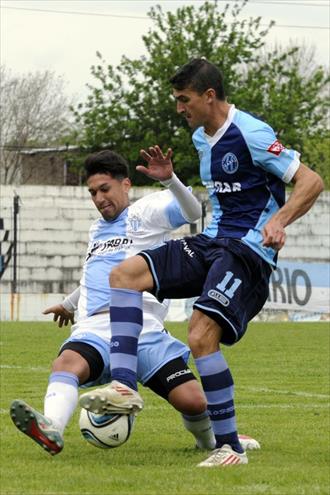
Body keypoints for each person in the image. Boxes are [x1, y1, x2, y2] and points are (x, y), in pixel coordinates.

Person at [79, 59, 324, 467]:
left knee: (199, 335)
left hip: (247, 252)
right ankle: (123, 388)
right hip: (213, 241)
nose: (179, 108)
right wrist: (169, 178)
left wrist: (279, 221)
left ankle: (230, 448)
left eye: (184, 99)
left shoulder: (251, 132)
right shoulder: (201, 138)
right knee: (124, 275)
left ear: (209, 96)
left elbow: (311, 181)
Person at [10, 150, 257, 456]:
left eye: (104, 190)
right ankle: (52, 429)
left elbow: (193, 211)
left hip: (146, 331)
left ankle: (212, 442)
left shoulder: (146, 213)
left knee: (194, 401)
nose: (99, 199)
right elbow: (95, 275)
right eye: (92, 193)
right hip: (96, 328)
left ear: (125, 184)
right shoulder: (96, 230)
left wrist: (169, 180)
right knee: (66, 364)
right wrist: (69, 304)